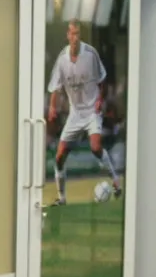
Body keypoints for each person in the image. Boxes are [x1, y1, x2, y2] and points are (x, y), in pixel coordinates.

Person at [46, 20, 120, 205]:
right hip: (75, 113)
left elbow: (102, 80)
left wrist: (100, 101)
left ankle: (116, 181)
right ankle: (61, 197)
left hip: (92, 110)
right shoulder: (62, 59)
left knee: (95, 147)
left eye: (78, 34)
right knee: (60, 155)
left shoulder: (91, 54)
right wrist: (53, 108)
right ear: (67, 35)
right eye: (72, 34)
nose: (75, 37)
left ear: (80, 36)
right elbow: (55, 87)